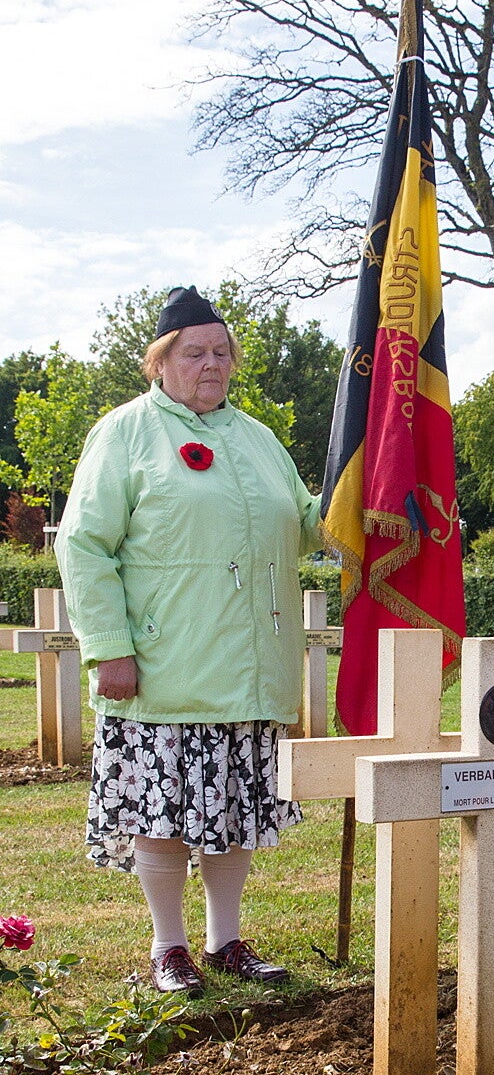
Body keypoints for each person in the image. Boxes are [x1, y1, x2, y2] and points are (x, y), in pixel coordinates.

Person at [57, 285, 323, 996]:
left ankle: (225, 940)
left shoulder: (258, 438)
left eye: (221, 352)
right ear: (160, 362)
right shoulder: (124, 433)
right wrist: (109, 645)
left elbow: (305, 522)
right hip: (164, 667)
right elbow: (83, 545)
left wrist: (361, 497)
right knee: (165, 815)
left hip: (252, 668)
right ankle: (168, 946)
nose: (212, 364)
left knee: (232, 810)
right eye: (194, 352)